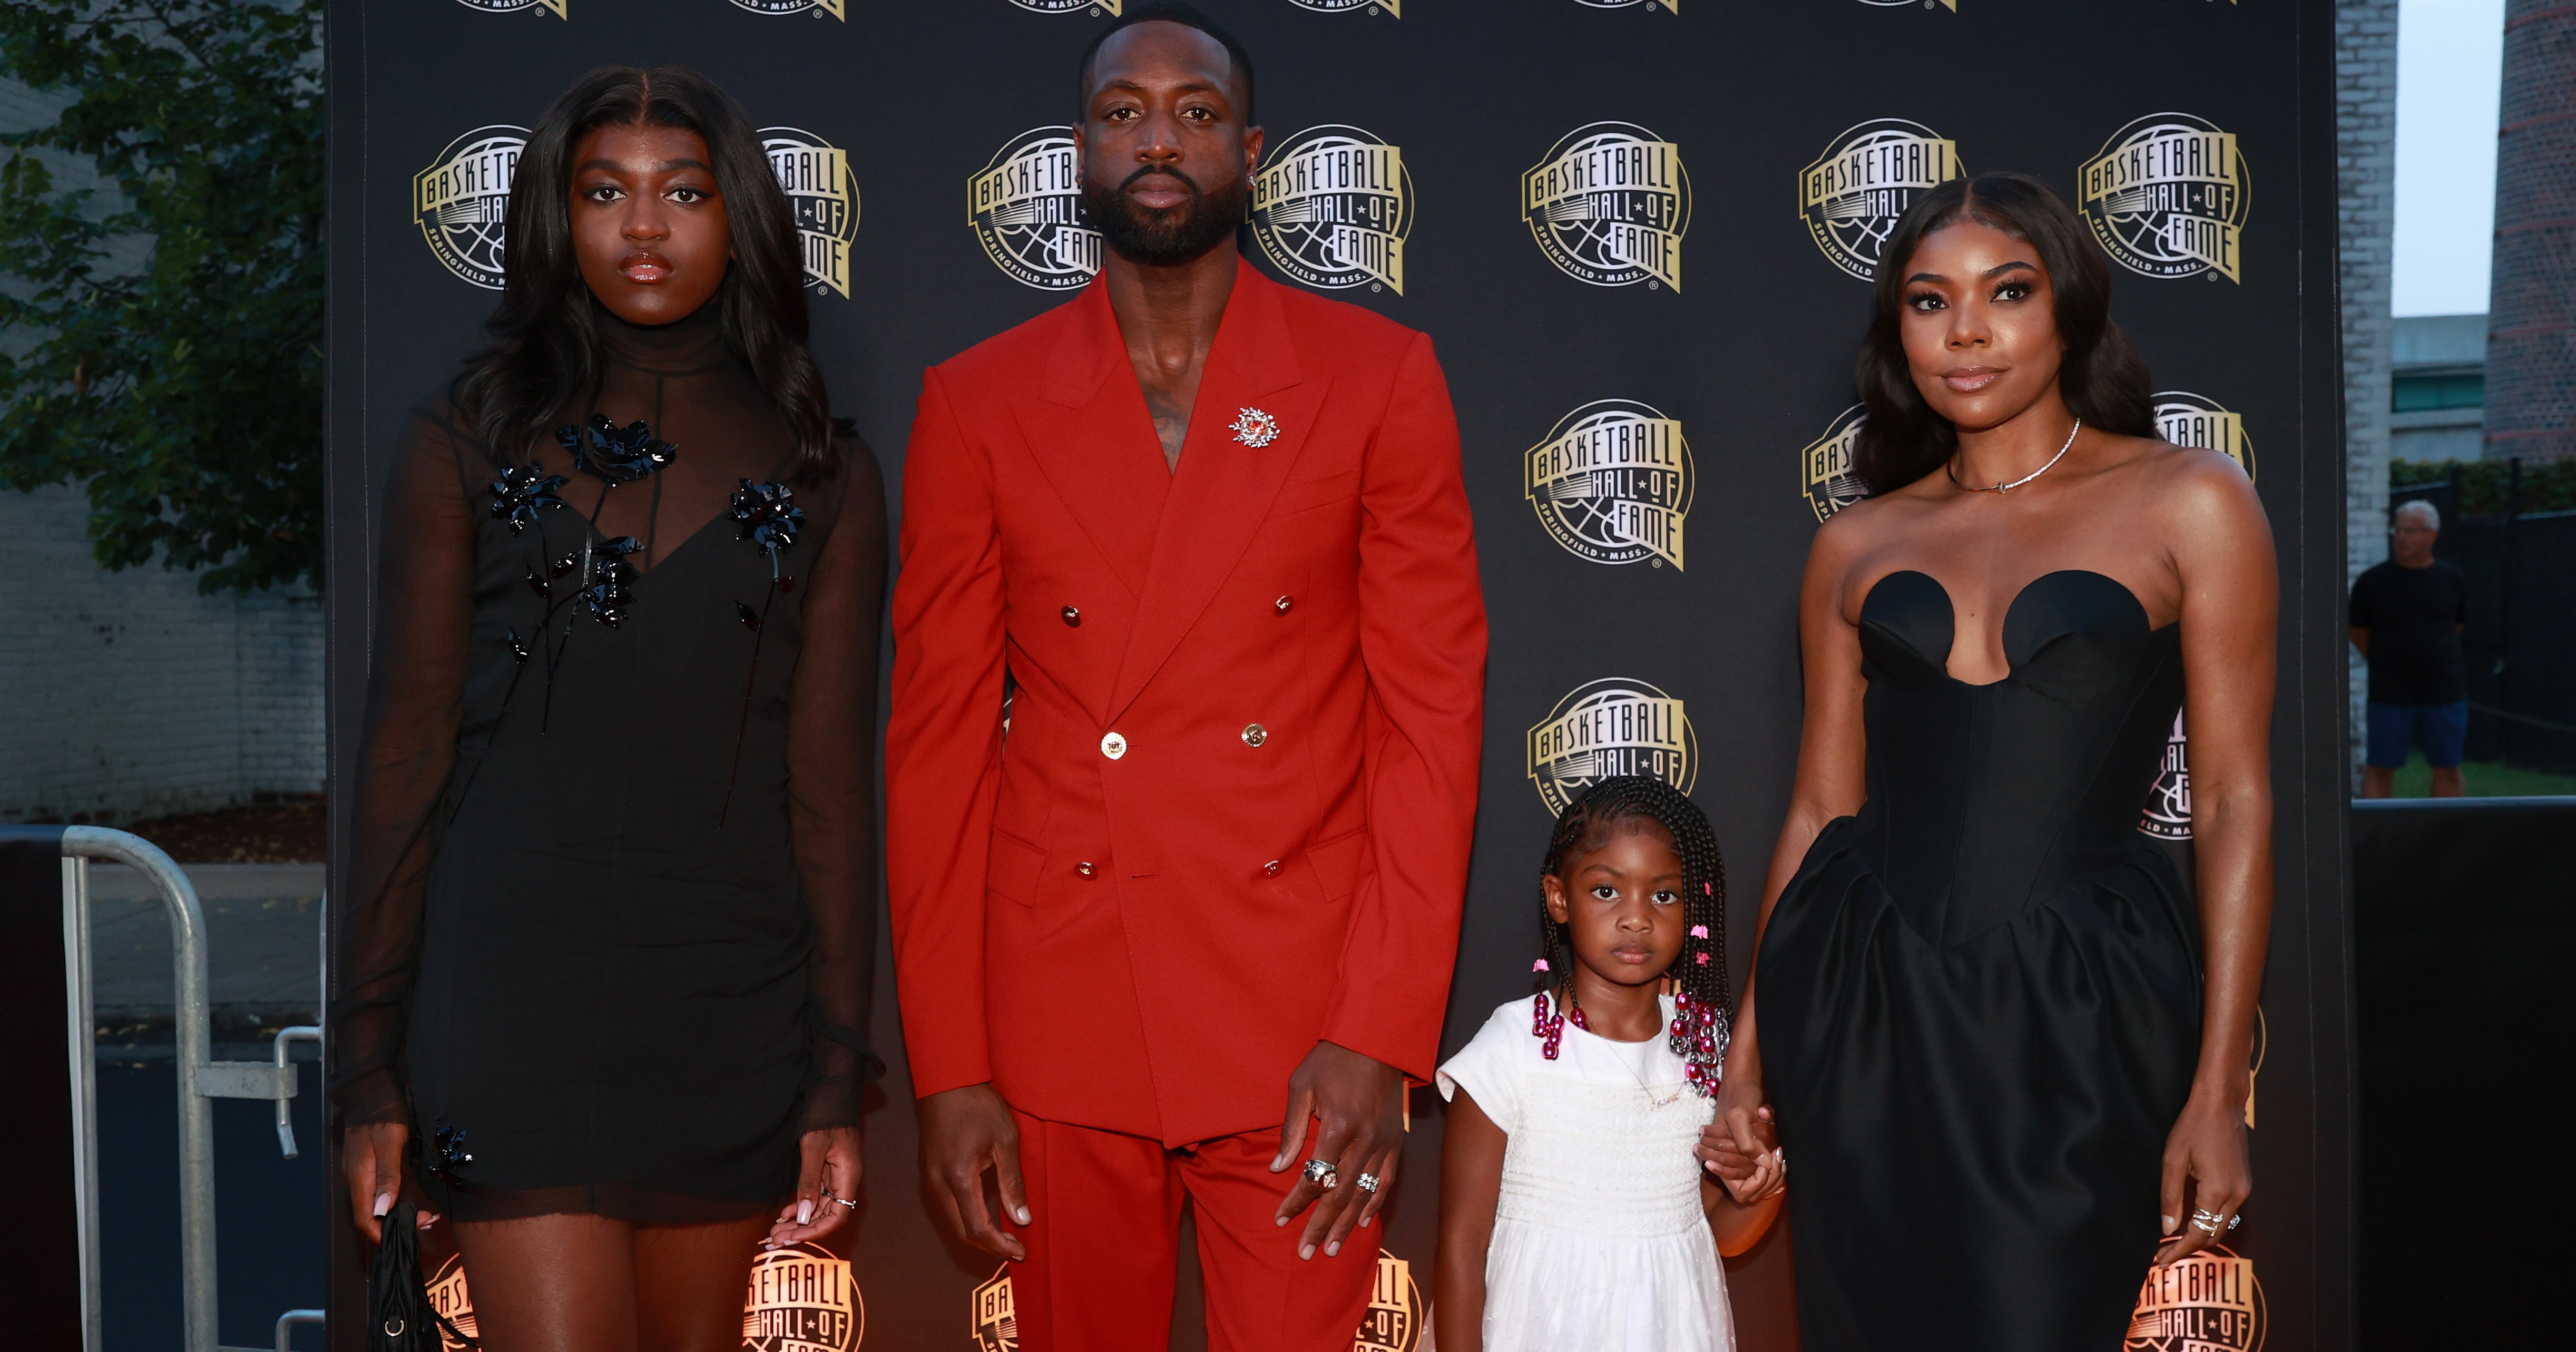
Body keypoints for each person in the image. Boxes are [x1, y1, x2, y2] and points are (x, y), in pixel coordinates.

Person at [885, 6, 1487, 1348]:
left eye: (1196, 112)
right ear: (1079, 155)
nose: (1159, 137)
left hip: (1297, 1014)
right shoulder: (975, 401)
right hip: (1058, 1004)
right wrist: (954, 1064)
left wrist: (1379, 1033)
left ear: (1251, 151)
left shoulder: (1376, 379)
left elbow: (1429, 726)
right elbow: (933, 750)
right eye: (1122, 111)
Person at [334, 65, 883, 1348]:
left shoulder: (826, 471)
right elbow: (405, 755)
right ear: (555, 216)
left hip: (727, 1002)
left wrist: (834, 1073)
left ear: (738, 216)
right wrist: (367, 1059)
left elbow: (830, 790)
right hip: (510, 996)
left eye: (684, 192)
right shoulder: (463, 437)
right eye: (606, 192)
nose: (645, 227)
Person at [1701, 173, 2275, 1352]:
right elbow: (1818, 806)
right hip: (1863, 1007)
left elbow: (2228, 797)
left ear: (2064, 308)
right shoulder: (1853, 543)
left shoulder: (2189, 500)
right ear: (1894, 331)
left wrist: (2215, 1090)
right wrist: (1745, 1058)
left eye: (2003, 292)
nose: (1963, 330)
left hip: (2076, 1006)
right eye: (1926, 300)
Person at [1432, 777, 1780, 1352]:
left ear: (1693, 906)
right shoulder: (1512, 1045)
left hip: (1673, 1328)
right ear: (1558, 897)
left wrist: (1763, 1186)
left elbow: (1722, 1236)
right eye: (1605, 891)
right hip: (1535, 1327)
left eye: (1663, 895)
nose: (1636, 918)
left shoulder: (1708, 1046)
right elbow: (1461, 1242)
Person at [2350, 498, 2471, 797]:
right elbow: (2357, 630)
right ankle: (2375, 840)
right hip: (2390, 693)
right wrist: (2386, 659)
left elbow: (2458, 625)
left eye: (2409, 531)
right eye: (2397, 530)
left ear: (2431, 535)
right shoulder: (2373, 582)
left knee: (2448, 768)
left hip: (2444, 691)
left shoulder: (2452, 579)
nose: (2400, 538)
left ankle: (2445, 838)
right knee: (2379, 768)